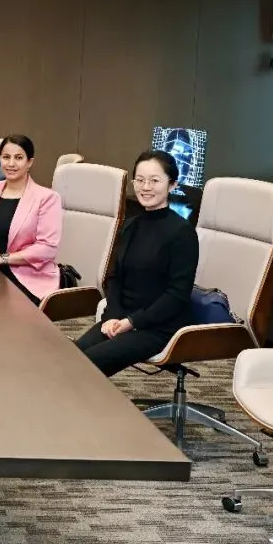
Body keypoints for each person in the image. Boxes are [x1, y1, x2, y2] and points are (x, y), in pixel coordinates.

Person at [76, 150, 199, 377]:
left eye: (154, 181)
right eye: (140, 180)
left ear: (172, 184)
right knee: (70, 355)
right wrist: (113, 315)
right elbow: (115, 277)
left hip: (158, 326)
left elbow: (176, 295)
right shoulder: (131, 225)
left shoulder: (182, 233)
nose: (146, 187)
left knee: (88, 366)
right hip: (123, 318)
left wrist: (132, 322)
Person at [0, 134, 62, 305]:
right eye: (6, 157)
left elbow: (47, 249)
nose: (11, 163)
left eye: (18, 158)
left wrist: (4, 258)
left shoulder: (47, 198)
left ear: (29, 162)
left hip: (28, 277)